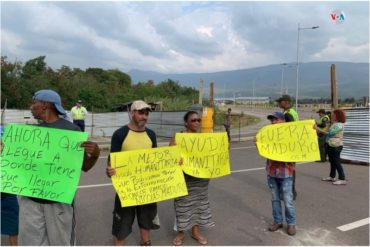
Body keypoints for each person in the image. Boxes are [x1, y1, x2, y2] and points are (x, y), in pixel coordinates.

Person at [18, 89, 100, 245]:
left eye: (34, 103)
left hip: (59, 203)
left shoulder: (72, 131)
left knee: (60, 243)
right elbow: (20, 166)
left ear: (44, 105)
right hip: (30, 202)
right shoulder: (30, 132)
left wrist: (95, 154)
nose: (31, 106)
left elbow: (85, 167)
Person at [106, 100, 160, 246]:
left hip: (147, 187)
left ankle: (145, 242)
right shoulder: (120, 134)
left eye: (147, 113)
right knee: (122, 221)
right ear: (131, 113)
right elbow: (111, 162)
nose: (144, 116)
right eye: (141, 113)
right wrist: (110, 170)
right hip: (126, 189)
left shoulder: (151, 135)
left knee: (146, 218)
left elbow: (157, 161)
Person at [170, 111, 215, 246]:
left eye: (198, 120)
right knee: (182, 205)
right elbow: (170, 154)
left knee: (199, 204)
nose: (196, 123)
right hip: (183, 177)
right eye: (193, 120)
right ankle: (181, 232)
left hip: (200, 178)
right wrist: (176, 159)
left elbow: (216, 152)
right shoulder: (179, 137)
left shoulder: (204, 137)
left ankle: (196, 232)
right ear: (186, 122)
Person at [259, 112, 296, 236]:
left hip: (286, 172)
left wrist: (312, 130)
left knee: (288, 200)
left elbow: (302, 144)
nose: (273, 122)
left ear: (283, 121)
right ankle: (278, 221)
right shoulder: (269, 134)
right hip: (272, 171)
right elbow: (262, 148)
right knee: (275, 199)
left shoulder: (291, 134)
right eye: (272, 120)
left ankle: (291, 224)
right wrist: (257, 142)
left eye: (276, 119)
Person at [315, 109, 347, 185]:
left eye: (333, 115)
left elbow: (330, 133)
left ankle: (342, 178)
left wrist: (317, 128)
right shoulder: (334, 124)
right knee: (332, 161)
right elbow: (327, 130)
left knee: (336, 162)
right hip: (331, 144)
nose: (332, 116)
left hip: (336, 145)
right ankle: (332, 176)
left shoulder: (339, 125)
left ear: (338, 116)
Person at [276, 94, 299, 200]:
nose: (279, 103)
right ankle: (290, 190)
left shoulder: (288, 114)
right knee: (289, 169)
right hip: (293, 144)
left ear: (286, 102)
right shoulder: (292, 112)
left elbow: (289, 129)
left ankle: (291, 191)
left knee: (289, 169)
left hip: (290, 145)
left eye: (280, 102)